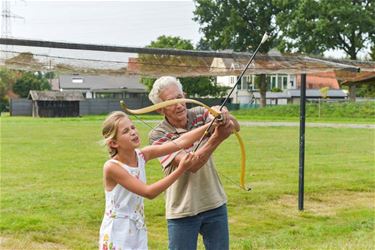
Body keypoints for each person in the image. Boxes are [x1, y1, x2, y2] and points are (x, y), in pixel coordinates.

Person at [98, 111, 224, 250]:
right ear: (114, 143)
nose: (133, 132)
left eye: (133, 127)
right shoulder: (111, 167)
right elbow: (149, 192)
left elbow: (179, 142)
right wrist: (181, 169)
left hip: (137, 226)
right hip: (118, 230)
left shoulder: (142, 155)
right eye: (126, 131)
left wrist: (211, 125)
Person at [148, 76, 240, 250]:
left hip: (214, 202)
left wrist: (224, 115)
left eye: (180, 97)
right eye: (171, 101)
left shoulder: (199, 113)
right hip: (182, 209)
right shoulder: (157, 134)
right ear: (160, 110)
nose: (179, 105)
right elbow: (191, 165)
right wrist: (216, 137)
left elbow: (235, 126)